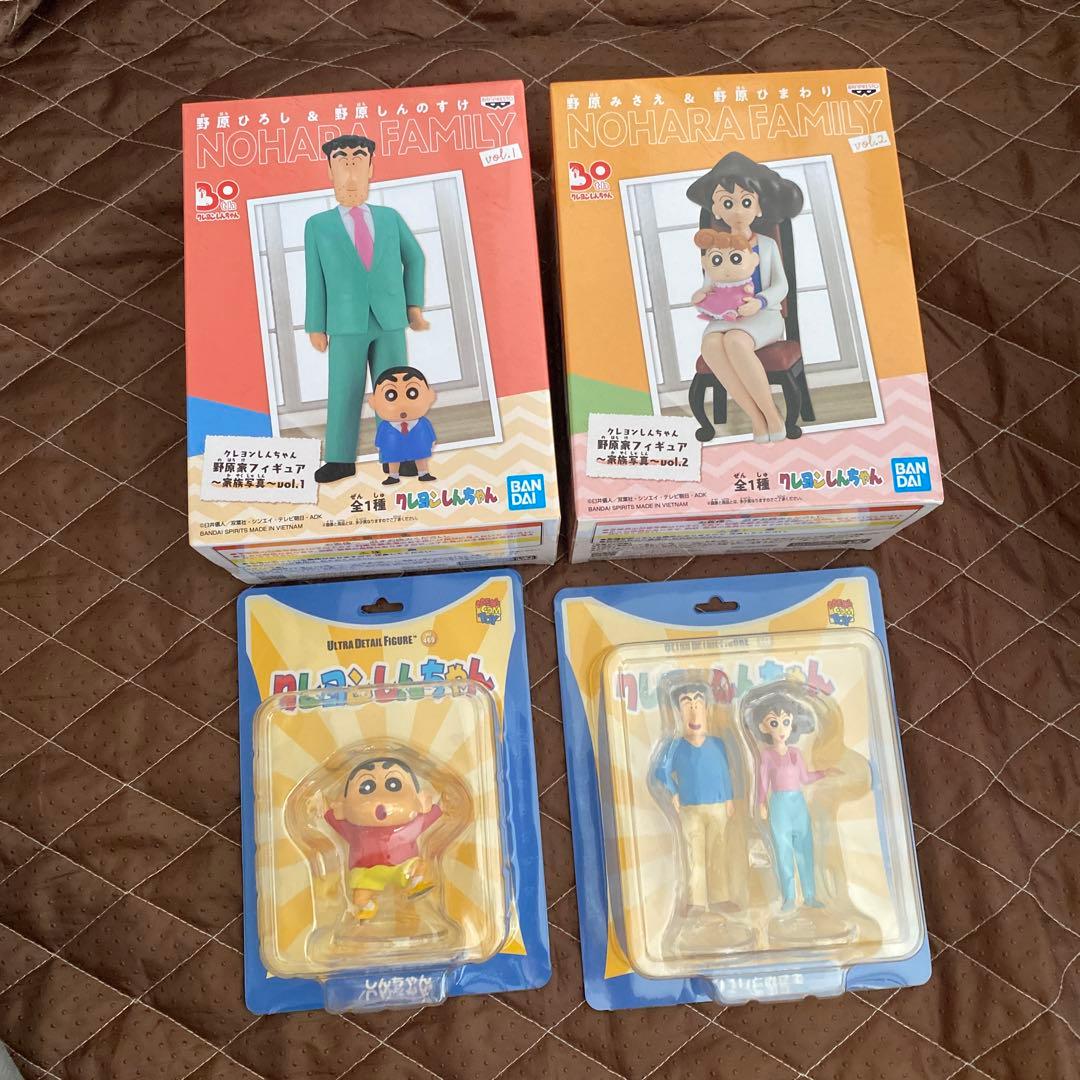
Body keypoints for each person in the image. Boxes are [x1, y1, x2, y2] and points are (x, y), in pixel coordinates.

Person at [304, 135, 429, 483]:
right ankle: (340, 458)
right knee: (343, 390)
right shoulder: (318, 225)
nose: (350, 172)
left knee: (396, 388)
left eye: (358, 162)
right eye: (341, 163)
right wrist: (315, 324)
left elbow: (415, 258)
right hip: (344, 323)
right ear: (329, 171)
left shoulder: (390, 218)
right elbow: (315, 277)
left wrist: (413, 305)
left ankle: (401, 454)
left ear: (371, 168)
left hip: (390, 320)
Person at [685, 152, 803, 444]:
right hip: (725, 317)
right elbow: (710, 281)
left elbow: (781, 286)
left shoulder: (767, 245)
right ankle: (756, 417)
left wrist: (759, 302)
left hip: (764, 316)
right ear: (717, 209)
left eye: (746, 202)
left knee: (736, 342)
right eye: (728, 203)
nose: (737, 210)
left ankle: (771, 415)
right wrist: (702, 294)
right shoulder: (716, 248)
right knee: (711, 344)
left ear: (759, 208)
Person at [320, 757, 442, 922]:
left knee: (420, 866)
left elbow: (431, 815)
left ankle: (417, 883)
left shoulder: (410, 827)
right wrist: (320, 804)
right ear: (342, 806)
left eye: (394, 784)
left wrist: (444, 804)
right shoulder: (355, 831)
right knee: (359, 898)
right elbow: (332, 818)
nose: (380, 798)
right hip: (367, 873)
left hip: (403, 866)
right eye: (366, 787)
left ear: (421, 801)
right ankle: (368, 908)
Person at [750, 691, 839, 912]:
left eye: (786, 722)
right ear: (763, 727)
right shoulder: (767, 755)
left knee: (805, 848)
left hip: (798, 803)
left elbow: (805, 778)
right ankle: (789, 897)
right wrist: (761, 803)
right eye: (774, 723)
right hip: (779, 805)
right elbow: (762, 782)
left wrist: (824, 773)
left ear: (792, 725)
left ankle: (810, 895)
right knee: (783, 851)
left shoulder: (796, 753)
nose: (781, 729)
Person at [654, 683, 737, 912]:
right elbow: (661, 771)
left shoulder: (717, 744)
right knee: (694, 856)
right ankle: (696, 902)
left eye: (698, 704)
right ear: (679, 713)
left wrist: (729, 798)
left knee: (718, 852)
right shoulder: (676, 747)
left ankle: (720, 898)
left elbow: (725, 773)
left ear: (706, 709)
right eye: (687, 705)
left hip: (718, 806)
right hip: (690, 809)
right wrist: (673, 791)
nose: (693, 711)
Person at [369, 367, 438, 485]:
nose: (402, 404)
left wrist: (432, 441)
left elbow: (429, 433)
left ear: (430, 396)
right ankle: (393, 476)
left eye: (412, 393)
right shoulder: (386, 426)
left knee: (420, 458)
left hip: (417, 447)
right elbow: (380, 437)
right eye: (390, 395)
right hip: (393, 449)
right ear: (373, 402)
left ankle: (423, 473)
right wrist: (379, 445)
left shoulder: (422, 423)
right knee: (393, 460)